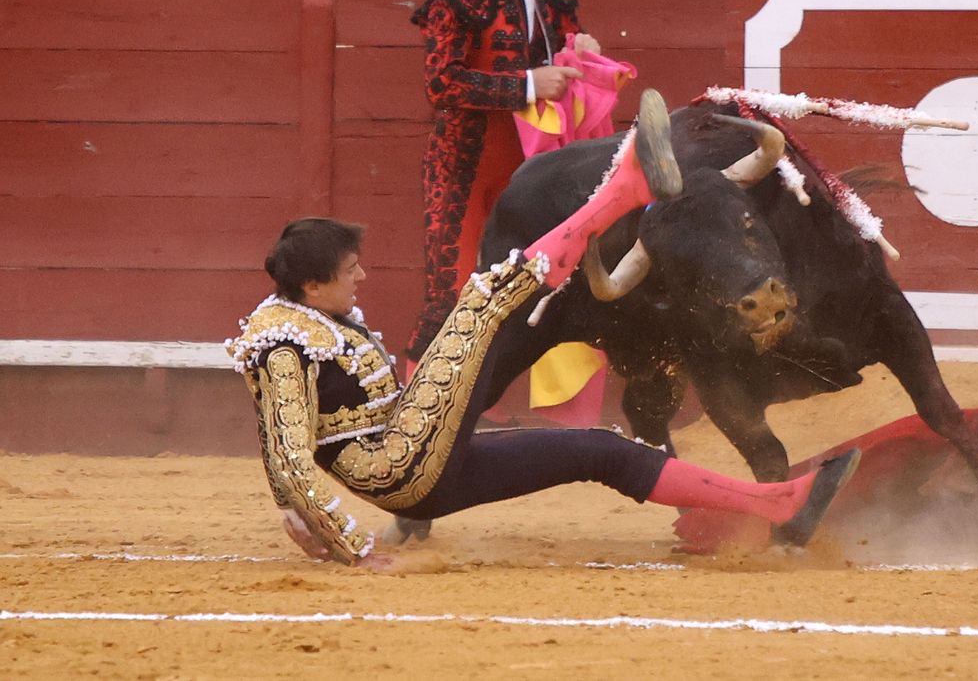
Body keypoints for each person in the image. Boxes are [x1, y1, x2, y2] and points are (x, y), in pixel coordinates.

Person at [226, 93, 861, 567]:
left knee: (601, 451)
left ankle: (779, 502)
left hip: (420, 471)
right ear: (311, 286)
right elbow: (286, 452)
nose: (361, 275)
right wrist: (353, 550)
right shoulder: (285, 341)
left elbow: (287, 457)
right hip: (400, 463)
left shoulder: (315, 318)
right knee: (483, 304)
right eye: (347, 269)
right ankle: (619, 195)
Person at [407, 0, 597, 369]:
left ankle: (550, 425)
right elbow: (442, 84)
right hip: (465, 169)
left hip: (538, 166)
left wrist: (583, 50)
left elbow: (563, 51)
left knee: (549, 288)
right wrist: (528, 86)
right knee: (453, 292)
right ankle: (425, 422)